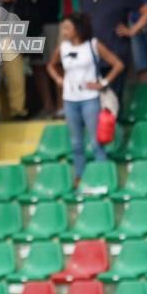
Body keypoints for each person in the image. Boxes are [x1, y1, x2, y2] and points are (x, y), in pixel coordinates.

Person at [47, 13, 124, 179]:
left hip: (90, 98)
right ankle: (80, 177)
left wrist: (103, 83)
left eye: (67, 28)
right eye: (63, 28)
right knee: (76, 143)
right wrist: (59, 79)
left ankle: (103, 177)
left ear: (78, 29)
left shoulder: (93, 44)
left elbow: (118, 64)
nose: (64, 31)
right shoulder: (63, 47)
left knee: (97, 141)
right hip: (69, 100)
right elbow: (51, 65)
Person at [81, 0, 147, 100]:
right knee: (94, 100)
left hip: (116, 55)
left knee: (113, 101)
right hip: (92, 57)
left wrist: (133, 30)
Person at [33, 0, 63, 115]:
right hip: (39, 24)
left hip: (56, 22)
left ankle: (60, 105)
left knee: (57, 63)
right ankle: (48, 105)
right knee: (39, 65)